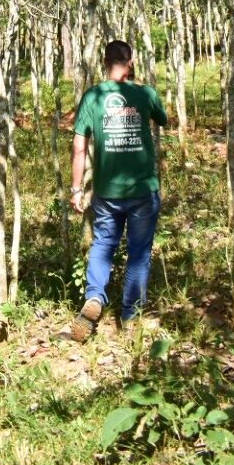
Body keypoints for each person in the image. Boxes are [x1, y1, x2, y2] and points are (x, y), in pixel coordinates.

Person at [69, 39, 167, 340]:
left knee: (103, 244)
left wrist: (76, 189)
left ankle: (94, 297)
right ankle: (130, 316)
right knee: (139, 252)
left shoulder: (93, 96)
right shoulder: (145, 94)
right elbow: (163, 119)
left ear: (104, 62)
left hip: (106, 192)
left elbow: (79, 147)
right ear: (131, 62)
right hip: (143, 191)